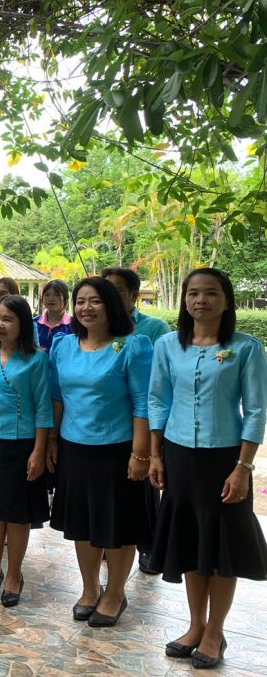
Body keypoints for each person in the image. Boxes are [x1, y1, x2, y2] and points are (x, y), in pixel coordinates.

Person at [148, 268, 267, 669]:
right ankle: (195, 625)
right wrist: (156, 455)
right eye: (193, 293)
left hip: (225, 460)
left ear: (226, 300)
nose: (201, 300)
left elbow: (256, 410)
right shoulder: (167, 345)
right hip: (178, 456)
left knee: (221, 547)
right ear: (185, 300)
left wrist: (243, 467)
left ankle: (216, 631)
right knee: (190, 542)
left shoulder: (246, 348)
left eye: (211, 293)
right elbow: (157, 400)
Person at [46, 276, 153, 628]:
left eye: (95, 301)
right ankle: (90, 588)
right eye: (80, 301)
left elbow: (143, 403)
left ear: (111, 305)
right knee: (83, 523)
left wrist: (141, 454)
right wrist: (51, 440)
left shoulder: (132, 347)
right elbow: (57, 397)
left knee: (118, 525)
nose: (86, 308)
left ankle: (116, 593)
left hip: (118, 451)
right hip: (74, 447)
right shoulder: (64, 345)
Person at [0, 295, 52, 607]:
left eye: (8, 319)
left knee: (17, 514)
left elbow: (43, 407)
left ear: (23, 324)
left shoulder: (36, 359)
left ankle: (14, 574)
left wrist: (39, 451)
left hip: (23, 442)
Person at [102, 265, 172, 574]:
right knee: (116, 491)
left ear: (133, 295)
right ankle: (112, 544)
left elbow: (162, 377)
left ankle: (149, 547)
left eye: (116, 291)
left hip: (146, 418)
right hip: (111, 421)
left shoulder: (154, 328)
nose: (109, 297)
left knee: (143, 486)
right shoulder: (98, 327)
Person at [102, 266, 172, 343]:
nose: (108, 295)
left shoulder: (156, 327)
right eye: (105, 290)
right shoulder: (96, 326)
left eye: (116, 291)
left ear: (134, 295)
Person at [34, 279, 72, 351]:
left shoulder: (75, 325)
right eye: (47, 295)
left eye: (57, 295)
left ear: (65, 298)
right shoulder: (33, 323)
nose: (51, 299)